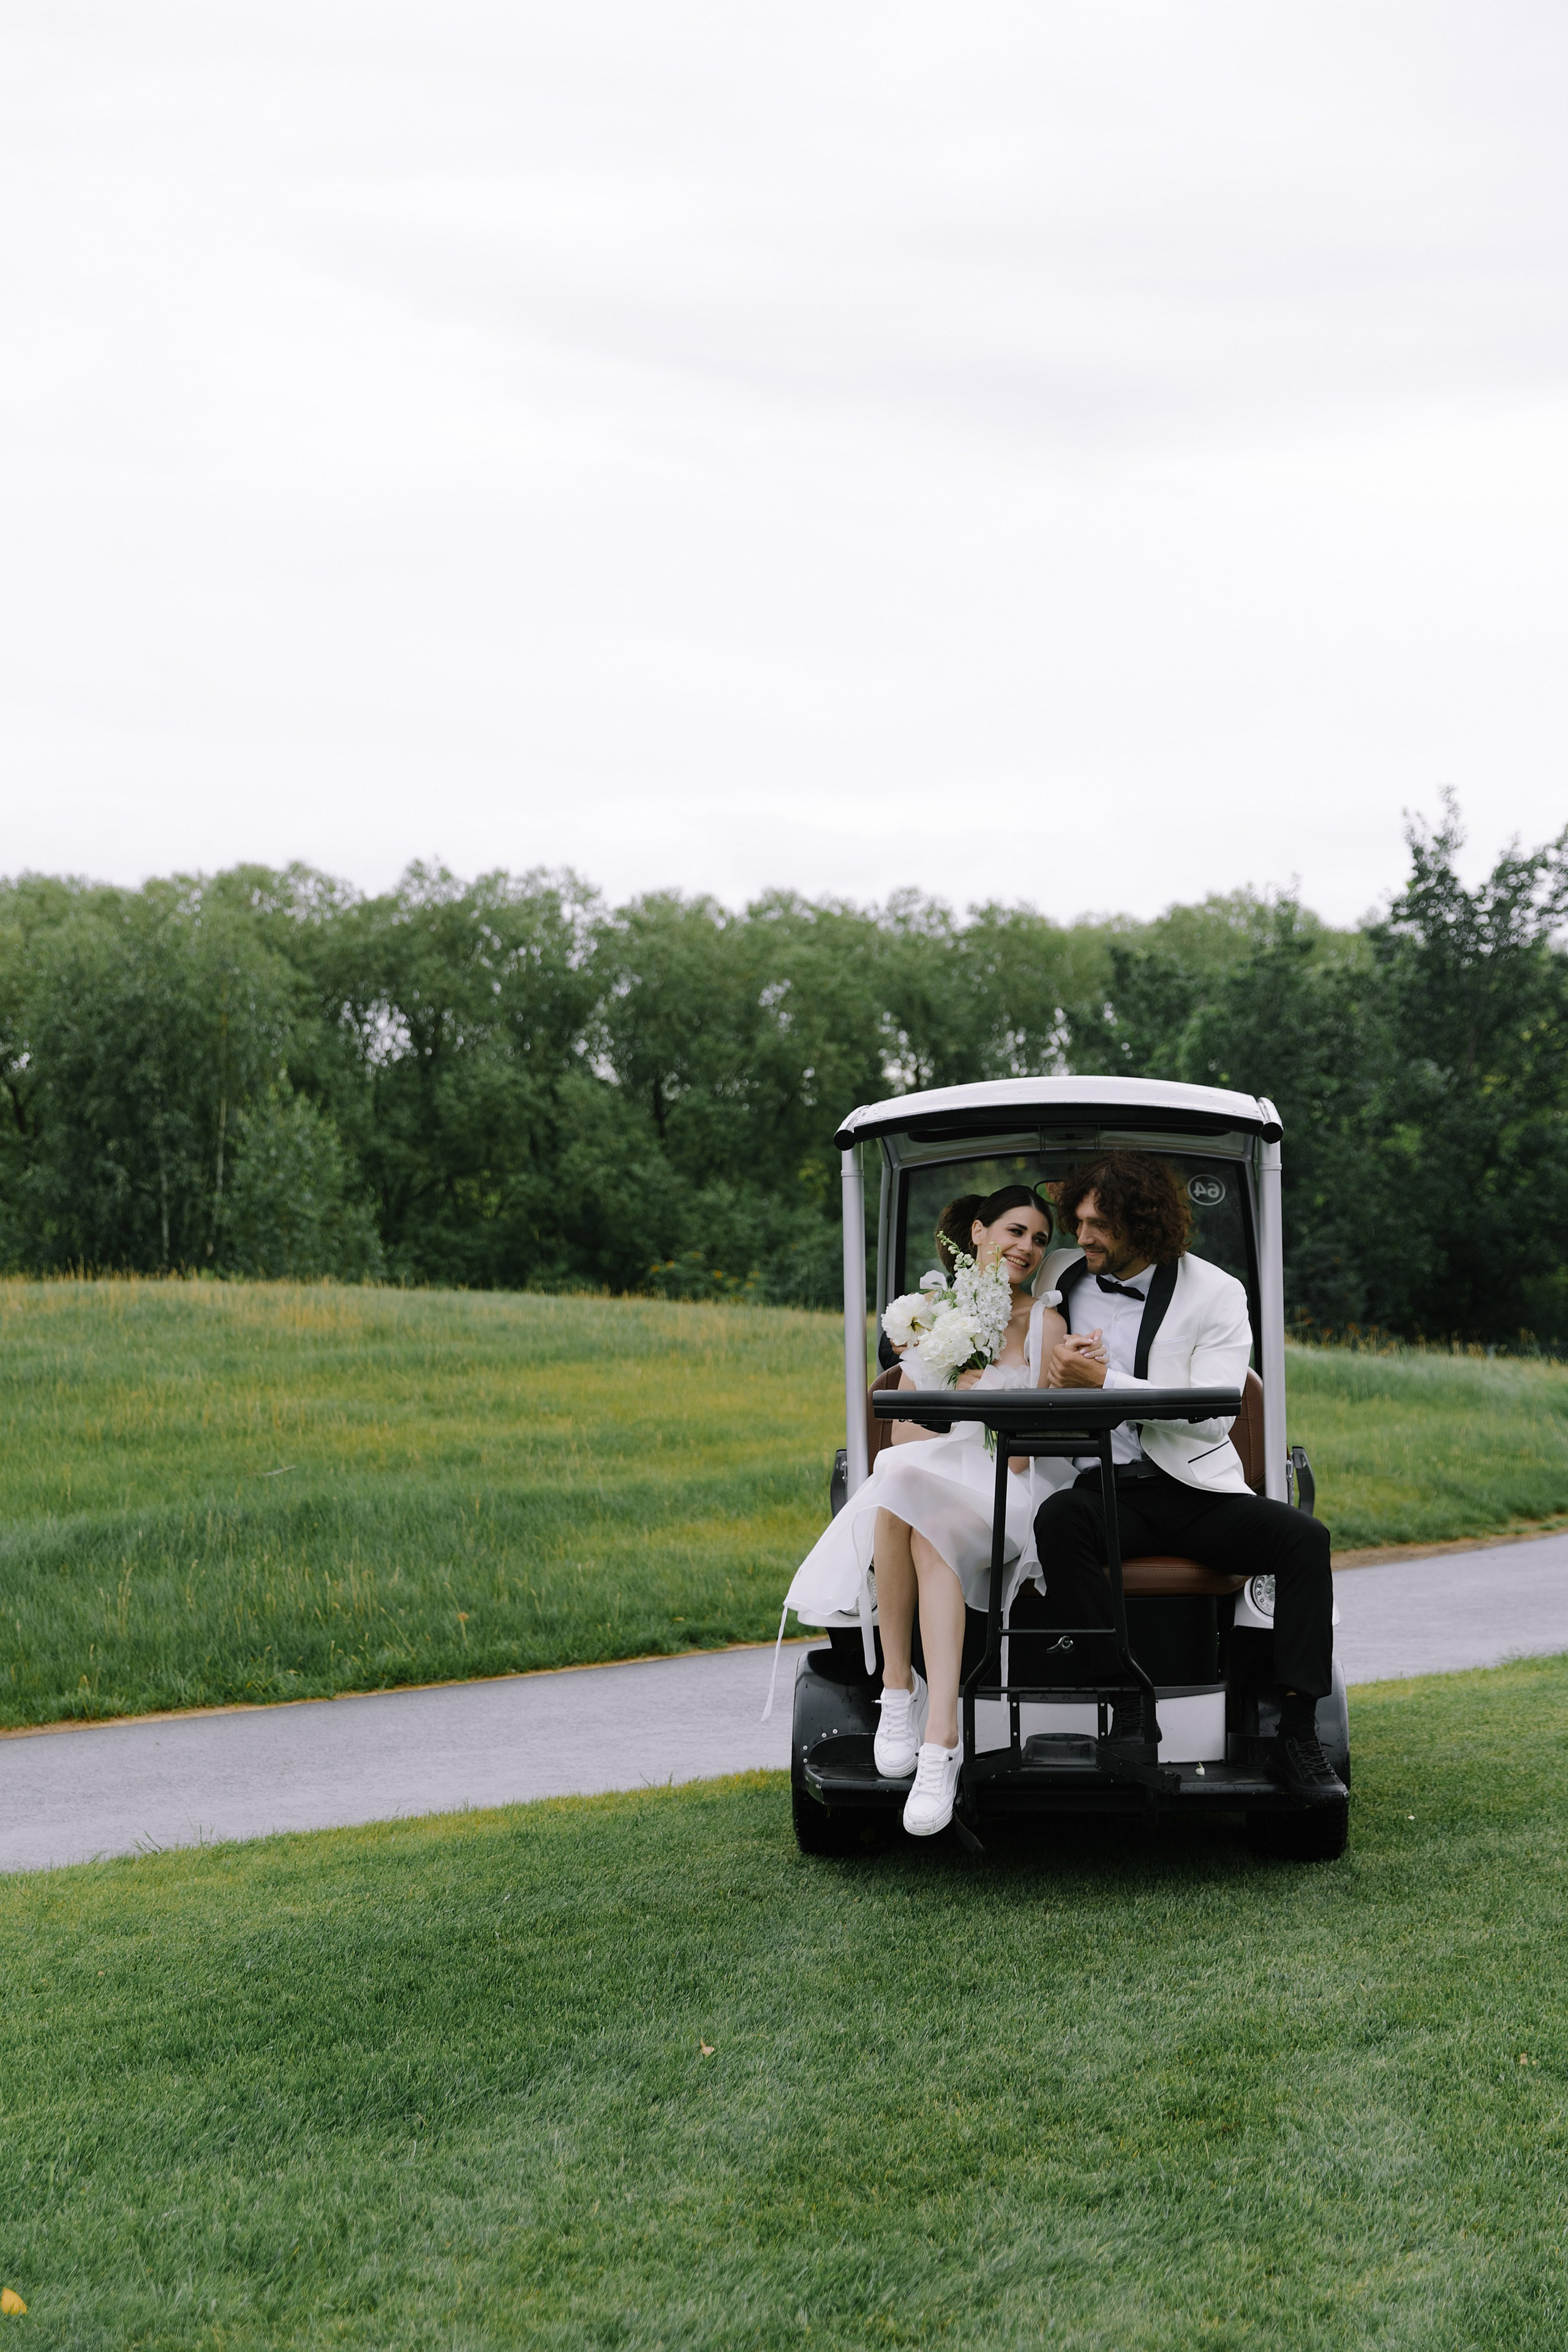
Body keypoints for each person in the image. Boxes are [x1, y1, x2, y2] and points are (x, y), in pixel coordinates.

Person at [1025, 1150, 1344, 1804]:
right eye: (1077, 1220)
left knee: (1304, 1541)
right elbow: (998, 1311)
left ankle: (1297, 1732)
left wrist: (1106, 1383)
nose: (1081, 1236)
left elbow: (1213, 1413)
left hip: (1193, 1490)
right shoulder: (1057, 1275)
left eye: (1099, 1225)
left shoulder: (1216, 1292)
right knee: (1057, 1520)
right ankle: (1127, 1703)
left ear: (1143, 1225)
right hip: (1106, 1491)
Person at [780, 1185, 1085, 1838]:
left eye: (1038, 1237)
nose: (1027, 1247)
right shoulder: (935, 1317)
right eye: (1014, 1230)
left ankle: (918, 1712)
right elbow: (905, 1437)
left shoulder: (1044, 1324)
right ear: (977, 1233)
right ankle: (920, 1716)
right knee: (906, 1494)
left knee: (906, 1494)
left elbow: (1021, 1459)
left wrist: (973, 1405)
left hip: (1007, 1492)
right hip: (935, 1488)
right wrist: (957, 1399)